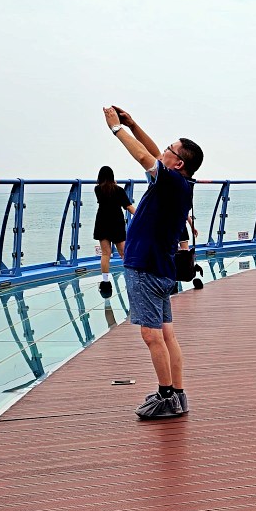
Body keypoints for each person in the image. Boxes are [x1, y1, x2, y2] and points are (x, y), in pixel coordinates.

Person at [102, 105, 204, 419]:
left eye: (170, 150)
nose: (163, 151)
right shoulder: (178, 184)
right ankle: (177, 394)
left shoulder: (171, 182)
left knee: (151, 335)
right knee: (166, 334)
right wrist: (133, 124)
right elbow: (154, 153)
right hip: (159, 267)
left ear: (179, 162)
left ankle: (166, 396)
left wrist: (117, 130)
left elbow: (146, 158)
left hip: (145, 266)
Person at [94, 165, 135, 298]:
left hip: (102, 222)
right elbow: (128, 206)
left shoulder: (98, 189)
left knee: (106, 254)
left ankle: (105, 283)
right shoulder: (118, 190)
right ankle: (131, 277)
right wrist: (140, 216)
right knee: (124, 252)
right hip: (116, 222)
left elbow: (103, 188)